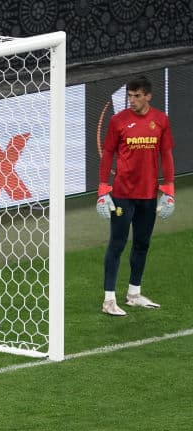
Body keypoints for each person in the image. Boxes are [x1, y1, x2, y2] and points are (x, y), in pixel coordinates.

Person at [96, 74, 175, 316]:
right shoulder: (118, 121)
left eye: (137, 96)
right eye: (129, 96)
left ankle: (134, 294)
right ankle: (109, 299)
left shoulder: (161, 120)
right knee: (117, 244)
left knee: (142, 244)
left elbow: (167, 155)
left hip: (148, 195)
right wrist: (102, 190)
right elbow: (108, 154)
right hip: (122, 195)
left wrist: (169, 190)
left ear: (148, 96)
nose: (132, 100)